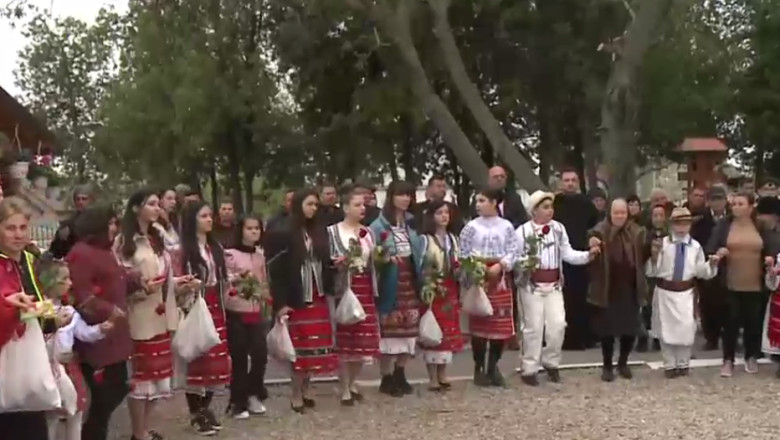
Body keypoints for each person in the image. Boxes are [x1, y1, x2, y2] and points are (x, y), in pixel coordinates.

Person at [0, 197, 72, 440]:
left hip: (31, 357)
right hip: (6, 358)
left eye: (23, 227)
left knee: (33, 424)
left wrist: (52, 319)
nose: (18, 234)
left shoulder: (30, 261)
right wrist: (9, 307)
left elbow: (37, 304)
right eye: (10, 228)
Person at [114, 189, 182, 440]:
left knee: (159, 379)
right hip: (139, 316)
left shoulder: (157, 236)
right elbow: (118, 279)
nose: (157, 208)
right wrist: (140, 288)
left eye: (157, 204)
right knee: (142, 379)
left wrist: (179, 285)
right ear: (136, 208)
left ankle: (144, 428)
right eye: (151, 203)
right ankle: (138, 432)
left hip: (162, 313)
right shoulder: (124, 241)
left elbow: (166, 272)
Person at [265, 188, 338, 413]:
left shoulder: (319, 231)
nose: (313, 208)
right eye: (309, 204)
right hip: (296, 296)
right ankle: (295, 393)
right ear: (298, 205)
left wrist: (334, 266)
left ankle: (307, 388)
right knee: (299, 348)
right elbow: (276, 272)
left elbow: (324, 260)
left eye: (316, 205)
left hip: (317, 293)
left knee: (314, 346)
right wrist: (280, 304)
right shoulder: (283, 232)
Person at [515, 191, 598, 386]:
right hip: (531, 286)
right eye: (545, 207)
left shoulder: (558, 229)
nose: (550, 211)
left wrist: (587, 256)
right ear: (534, 210)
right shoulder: (522, 232)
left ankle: (551, 362)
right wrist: (526, 263)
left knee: (558, 325)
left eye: (551, 207)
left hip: (553, 285)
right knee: (533, 328)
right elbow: (514, 258)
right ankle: (529, 368)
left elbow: (567, 253)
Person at [66, 205, 133, 440]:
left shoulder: (105, 251)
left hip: (115, 333)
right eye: (111, 223)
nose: (115, 228)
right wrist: (109, 310)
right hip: (97, 336)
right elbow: (81, 294)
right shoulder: (81, 253)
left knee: (118, 387)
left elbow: (115, 282)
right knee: (105, 394)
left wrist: (138, 280)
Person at [37, 259, 114, 440]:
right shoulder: (40, 310)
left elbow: (83, 333)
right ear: (51, 281)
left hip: (69, 365)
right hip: (46, 367)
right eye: (65, 278)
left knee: (76, 411)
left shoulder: (69, 310)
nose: (70, 283)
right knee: (51, 415)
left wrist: (100, 329)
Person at [706, 192, 776, 377]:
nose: (735, 207)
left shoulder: (760, 225)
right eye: (734, 204)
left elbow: (771, 246)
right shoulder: (725, 225)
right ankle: (728, 360)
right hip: (730, 282)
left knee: (753, 322)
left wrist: (769, 257)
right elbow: (711, 246)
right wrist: (718, 252)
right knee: (730, 322)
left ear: (751, 207)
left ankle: (751, 356)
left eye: (740, 204)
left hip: (755, 283)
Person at [645, 207, 720, 378]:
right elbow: (651, 271)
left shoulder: (695, 246)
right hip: (665, 292)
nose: (681, 227)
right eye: (678, 223)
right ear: (671, 225)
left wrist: (711, 265)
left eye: (685, 224)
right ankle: (669, 364)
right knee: (665, 330)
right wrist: (654, 257)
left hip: (686, 293)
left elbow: (701, 271)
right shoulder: (662, 244)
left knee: (686, 328)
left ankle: (683, 363)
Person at [178, 201, 232, 434]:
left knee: (216, 359)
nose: (209, 220)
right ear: (192, 220)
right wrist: (190, 286)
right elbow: (179, 280)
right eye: (203, 216)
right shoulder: (184, 250)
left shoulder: (214, 246)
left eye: (210, 215)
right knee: (198, 358)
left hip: (215, 304)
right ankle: (196, 412)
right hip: (195, 304)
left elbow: (222, 278)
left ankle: (205, 407)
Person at [460, 188, 518, 387]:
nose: (478, 204)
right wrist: (477, 268)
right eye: (477, 201)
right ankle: (478, 367)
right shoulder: (471, 227)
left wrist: (501, 265)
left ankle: (493, 366)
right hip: (479, 277)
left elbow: (513, 251)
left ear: (494, 202)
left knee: (500, 325)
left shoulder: (506, 226)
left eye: (482, 200)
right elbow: (463, 252)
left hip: (500, 278)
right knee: (480, 325)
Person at [327, 190, 381, 404]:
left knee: (363, 340)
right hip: (343, 288)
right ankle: (344, 387)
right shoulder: (332, 232)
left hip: (364, 287)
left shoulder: (368, 232)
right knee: (345, 339)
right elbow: (327, 261)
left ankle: (351, 382)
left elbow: (372, 260)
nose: (362, 208)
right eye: (357, 205)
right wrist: (337, 263)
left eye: (363, 205)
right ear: (345, 207)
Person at [370, 180, 423, 396]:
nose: (405, 199)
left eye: (408, 195)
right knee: (389, 331)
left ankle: (401, 372)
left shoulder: (412, 223)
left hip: (410, 278)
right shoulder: (379, 225)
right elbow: (373, 254)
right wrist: (384, 258)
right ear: (391, 197)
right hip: (390, 280)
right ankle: (386, 376)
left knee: (409, 330)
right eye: (401, 195)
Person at [587, 199, 648, 382]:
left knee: (629, 329)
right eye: (616, 213)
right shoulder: (600, 230)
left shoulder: (637, 231)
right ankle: (607, 366)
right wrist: (592, 242)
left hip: (630, 286)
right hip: (608, 285)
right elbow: (589, 239)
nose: (620, 216)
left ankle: (623, 362)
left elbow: (644, 253)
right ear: (610, 213)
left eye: (623, 213)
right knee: (607, 331)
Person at [224, 215, 269, 419]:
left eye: (257, 228)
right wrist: (238, 279)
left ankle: (254, 392)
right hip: (236, 311)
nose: (254, 232)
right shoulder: (230, 254)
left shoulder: (260, 256)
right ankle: (238, 400)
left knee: (260, 355)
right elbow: (226, 281)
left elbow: (264, 282)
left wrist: (266, 300)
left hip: (256, 310)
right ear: (241, 230)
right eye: (249, 228)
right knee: (239, 357)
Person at [417, 199, 464, 391]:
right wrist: (428, 282)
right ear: (431, 216)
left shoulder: (454, 239)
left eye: (446, 212)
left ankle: (443, 372)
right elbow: (420, 265)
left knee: (448, 330)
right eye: (439, 213)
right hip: (432, 290)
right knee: (433, 330)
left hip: (450, 288)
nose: (444, 216)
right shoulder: (425, 240)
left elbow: (458, 261)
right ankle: (432, 376)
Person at [553, 168, 600, 350]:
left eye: (573, 180)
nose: (570, 183)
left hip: (581, 256)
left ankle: (582, 337)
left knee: (580, 298)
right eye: (566, 180)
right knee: (561, 299)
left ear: (578, 183)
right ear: (561, 183)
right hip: (558, 258)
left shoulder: (586, 204)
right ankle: (560, 337)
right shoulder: (555, 203)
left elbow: (594, 226)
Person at [695, 186, 729, 350]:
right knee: (708, 304)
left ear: (725, 200)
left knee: (728, 304)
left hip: (728, 266)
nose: (717, 203)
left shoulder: (732, 220)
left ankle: (729, 337)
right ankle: (711, 338)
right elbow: (697, 244)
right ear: (708, 202)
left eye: (720, 199)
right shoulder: (700, 222)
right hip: (707, 266)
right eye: (714, 199)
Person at [636, 204, 667, 353]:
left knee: (661, 308)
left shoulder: (670, 236)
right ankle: (642, 337)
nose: (658, 219)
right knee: (646, 307)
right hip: (648, 274)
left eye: (661, 215)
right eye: (655, 215)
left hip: (663, 275)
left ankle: (658, 338)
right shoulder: (644, 235)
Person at [49, 185, 93, 259]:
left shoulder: (100, 222)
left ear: (90, 200)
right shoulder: (67, 224)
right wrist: (61, 240)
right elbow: (56, 253)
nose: (80, 202)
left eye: (84, 199)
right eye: (78, 199)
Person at [154, 188, 182, 271]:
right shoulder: (155, 225)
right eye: (169, 198)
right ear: (161, 201)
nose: (173, 202)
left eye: (174, 199)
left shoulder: (175, 220)